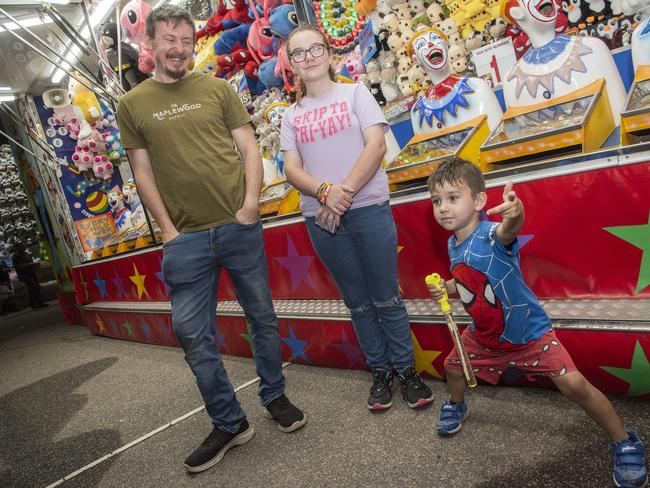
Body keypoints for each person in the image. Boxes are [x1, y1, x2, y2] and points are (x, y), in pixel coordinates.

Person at [117, 5, 305, 473]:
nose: (179, 48)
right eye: (169, 40)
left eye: (186, 39)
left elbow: (248, 150)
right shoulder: (132, 104)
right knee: (193, 335)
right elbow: (142, 173)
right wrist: (168, 231)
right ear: (151, 45)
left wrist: (248, 207)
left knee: (261, 316)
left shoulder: (218, 88)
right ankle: (228, 421)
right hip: (185, 240)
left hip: (237, 226)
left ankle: (275, 395)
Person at [427, 158, 647, 488]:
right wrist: (445, 287)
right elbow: (468, 279)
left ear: (480, 201)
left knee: (575, 386)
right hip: (485, 336)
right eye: (436, 200)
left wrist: (515, 215)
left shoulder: (491, 235)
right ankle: (456, 405)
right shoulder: (452, 243)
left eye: (453, 198)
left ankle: (624, 440)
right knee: (454, 368)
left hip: (528, 333)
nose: (443, 208)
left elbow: (508, 231)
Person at [281, 25, 433, 412]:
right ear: (292, 65)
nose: (308, 57)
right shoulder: (290, 116)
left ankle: (407, 370)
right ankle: (380, 371)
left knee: (386, 296)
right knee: (358, 303)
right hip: (322, 219)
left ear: (329, 53)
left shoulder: (356, 93)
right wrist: (325, 194)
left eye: (315, 48)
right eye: (298, 53)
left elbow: (376, 144)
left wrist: (342, 192)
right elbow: (292, 170)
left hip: (367, 207)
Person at [12, 242, 46, 310]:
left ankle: (39, 302)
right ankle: (33, 303)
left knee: (37, 287)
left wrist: (34, 263)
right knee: (32, 288)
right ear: (17, 248)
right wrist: (32, 264)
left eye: (22, 246)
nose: (22, 247)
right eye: (20, 246)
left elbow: (29, 261)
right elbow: (20, 267)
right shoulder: (16, 257)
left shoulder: (25, 254)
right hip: (25, 275)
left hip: (31, 273)